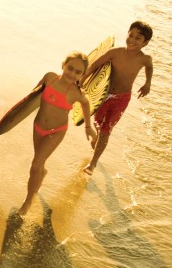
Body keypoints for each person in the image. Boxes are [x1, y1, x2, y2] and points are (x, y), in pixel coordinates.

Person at [17, 52, 97, 216]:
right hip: (38, 126)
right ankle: (43, 172)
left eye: (77, 72)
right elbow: (33, 96)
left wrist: (88, 126)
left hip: (56, 131)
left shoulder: (75, 92)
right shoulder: (49, 78)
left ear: (82, 75)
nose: (72, 74)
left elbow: (86, 103)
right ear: (63, 65)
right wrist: (16, 114)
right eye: (70, 68)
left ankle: (27, 201)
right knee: (39, 161)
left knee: (35, 165)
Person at [83, 21, 154, 175]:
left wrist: (148, 83)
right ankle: (96, 140)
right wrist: (82, 81)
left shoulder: (144, 59)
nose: (132, 40)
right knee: (97, 123)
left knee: (106, 130)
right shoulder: (115, 52)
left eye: (138, 38)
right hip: (102, 96)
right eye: (131, 35)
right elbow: (94, 65)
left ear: (145, 43)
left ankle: (93, 163)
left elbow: (149, 67)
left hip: (121, 99)